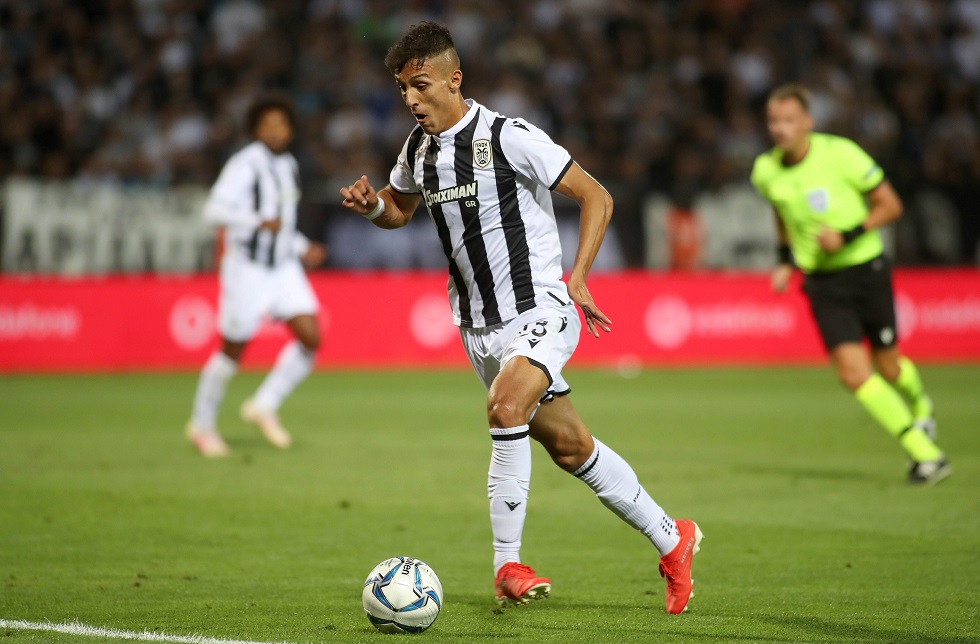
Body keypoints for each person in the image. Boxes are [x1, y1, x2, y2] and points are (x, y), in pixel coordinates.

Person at [340, 22, 702, 614]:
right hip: (477, 329)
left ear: (454, 79)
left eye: (420, 85)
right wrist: (373, 206)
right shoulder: (417, 150)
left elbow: (597, 195)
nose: (410, 99)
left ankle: (506, 564)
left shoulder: (508, 136)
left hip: (539, 307)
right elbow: (399, 209)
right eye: (403, 88)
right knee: (571, 448)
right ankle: (673, 538)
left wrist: (578, 277)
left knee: (506, 409)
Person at [750, 84, 950, 485]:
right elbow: (781, 213)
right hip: (822, 283)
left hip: (865, 270)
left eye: (788, 120)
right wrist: (785, 260)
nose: (779, 128)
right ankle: (925, 453)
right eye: (773, 120)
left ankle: (920, 406)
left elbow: (891, 205)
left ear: (807, 122)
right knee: (853, 373)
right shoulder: (765, 171)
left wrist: (847, 235)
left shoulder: (841, 154)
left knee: (889, 366)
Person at [186, 92, 326, 458]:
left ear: (291, 129)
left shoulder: (288, 164)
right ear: (255, 130)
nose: (276, 131)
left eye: (282, 124)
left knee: (310, 337)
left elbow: (283, 224)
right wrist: (254, 221)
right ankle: (201, 425)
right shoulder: (244, 165)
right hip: (246, 268)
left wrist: (301, 247)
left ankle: (264, 405)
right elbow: (213, 212)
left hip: (283, 267)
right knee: (232, 350)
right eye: (268, 125)